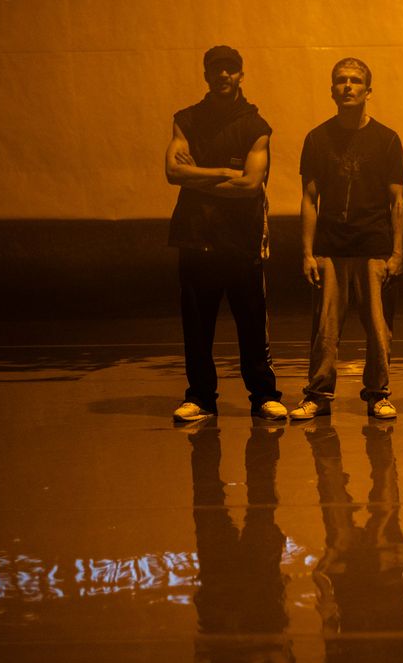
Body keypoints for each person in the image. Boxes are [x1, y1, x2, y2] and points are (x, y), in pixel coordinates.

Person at [165, 45, 286, 423]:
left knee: (252, 323)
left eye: (230, 69)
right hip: (196, 236)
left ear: (240, 75)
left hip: (241, 240)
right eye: (216, 69)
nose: (223, 75)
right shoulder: (186, 119)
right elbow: (173, 172)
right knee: (197, 326)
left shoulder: (256, 126)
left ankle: (264, 396)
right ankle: (200, 398)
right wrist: (223, 173)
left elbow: (250, 185)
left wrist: (197, 176)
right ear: (206, 74)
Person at [289, 58, 403, 421]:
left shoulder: (388, 139)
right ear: (332, 90)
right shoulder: (317, 138)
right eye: (341, 80)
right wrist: (307, 252)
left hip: (374, 247)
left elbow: (397, 201)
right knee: (325, 331)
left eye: (356, 81)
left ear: (368, 90)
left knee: (379, 330)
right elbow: (309, 199)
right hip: (330, 247)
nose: (348, 86)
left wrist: (397, 251)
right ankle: (318, 395)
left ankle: (378, 393)